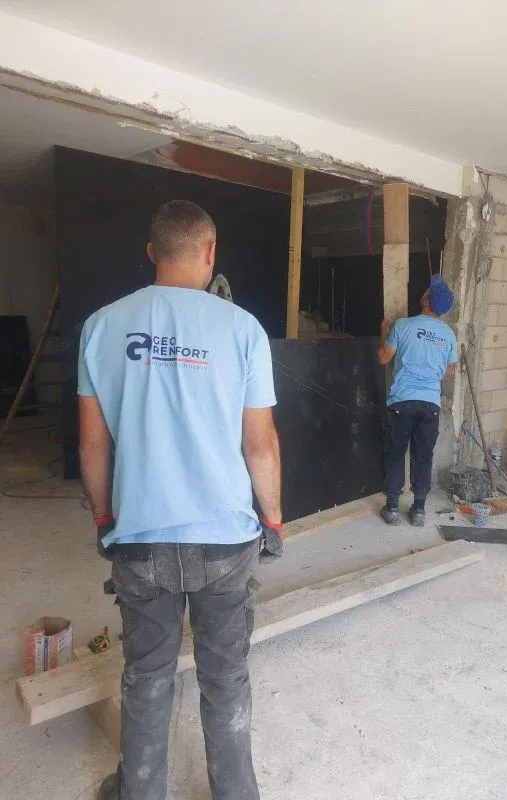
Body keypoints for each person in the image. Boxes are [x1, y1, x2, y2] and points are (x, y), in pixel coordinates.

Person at [78, 200, 283, 800]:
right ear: (210, 252)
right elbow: (261, 445)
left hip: (140, 539)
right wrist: (270, 518)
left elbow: (92, 446)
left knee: (146, 678)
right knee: (226, 679)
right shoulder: (243, 329)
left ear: (151, 254)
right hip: (225, 541)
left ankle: (138, 791)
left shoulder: (101, 326)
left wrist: (103, 517)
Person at [377, 273, 457, 527]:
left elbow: (383, 358)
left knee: (396, 452)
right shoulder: (449, 335)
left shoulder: (402, 326)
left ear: (426, 300)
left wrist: (383, 334)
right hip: (430, 404)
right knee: (423, 456)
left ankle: (391, 508)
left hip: (402, 401)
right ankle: (419, 510)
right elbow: (449, 369)